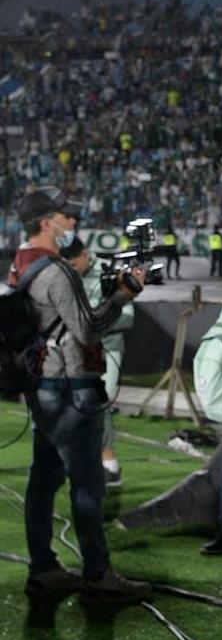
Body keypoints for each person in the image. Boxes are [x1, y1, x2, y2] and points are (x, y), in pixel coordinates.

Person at [10, 187, 151, 604]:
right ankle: (97, 573)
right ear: (45, 222)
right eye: (65, 217)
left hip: (45, 386)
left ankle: (44, 568)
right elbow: (88, 329)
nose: (72, 223)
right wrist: (123, 295)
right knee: (87, 482)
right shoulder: (55, 270)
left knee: (44, 478)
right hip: (71, 388)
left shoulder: (22, 265)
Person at [60, 238, 134, 488]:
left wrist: (94, 320)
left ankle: (108, 462)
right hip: (74, 351)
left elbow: (127, 317)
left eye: (73, 263)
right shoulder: (63, 275)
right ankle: (82, 460)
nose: (71, 268)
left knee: (103, 402)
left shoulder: (109, 273)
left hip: (107, 349)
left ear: (84, 254)